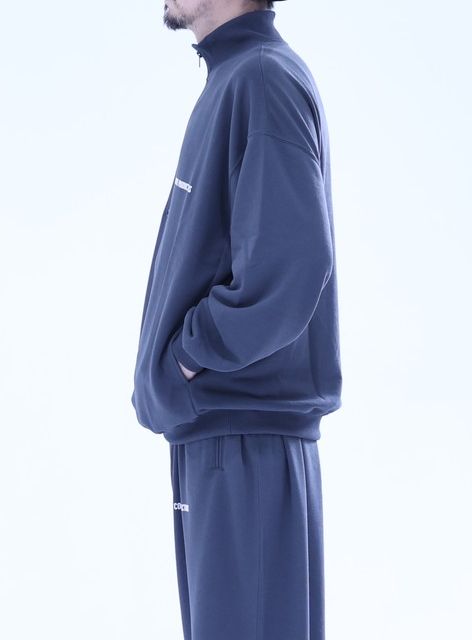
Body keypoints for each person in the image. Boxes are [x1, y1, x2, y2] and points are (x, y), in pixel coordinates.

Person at [131, 1, 342, 638]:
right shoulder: (236, 77)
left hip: (245, 448)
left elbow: (290, 268)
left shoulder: (262, 79)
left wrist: (186, 359)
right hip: (223, 442)